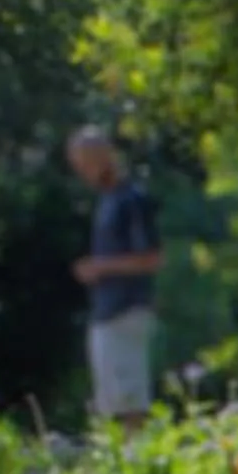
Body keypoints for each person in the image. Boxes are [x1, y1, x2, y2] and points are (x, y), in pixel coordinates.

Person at [67, 128, 163, 434]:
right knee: (110, 403)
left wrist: (100, 267)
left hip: (126, 310)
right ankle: (123, 456)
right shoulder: (106, 201)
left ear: (104, 158)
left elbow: (152, 258)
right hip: (106, 311)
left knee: (129, 402)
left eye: (86, 163)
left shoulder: (131, 200)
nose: (82, 172)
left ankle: (138, 456)